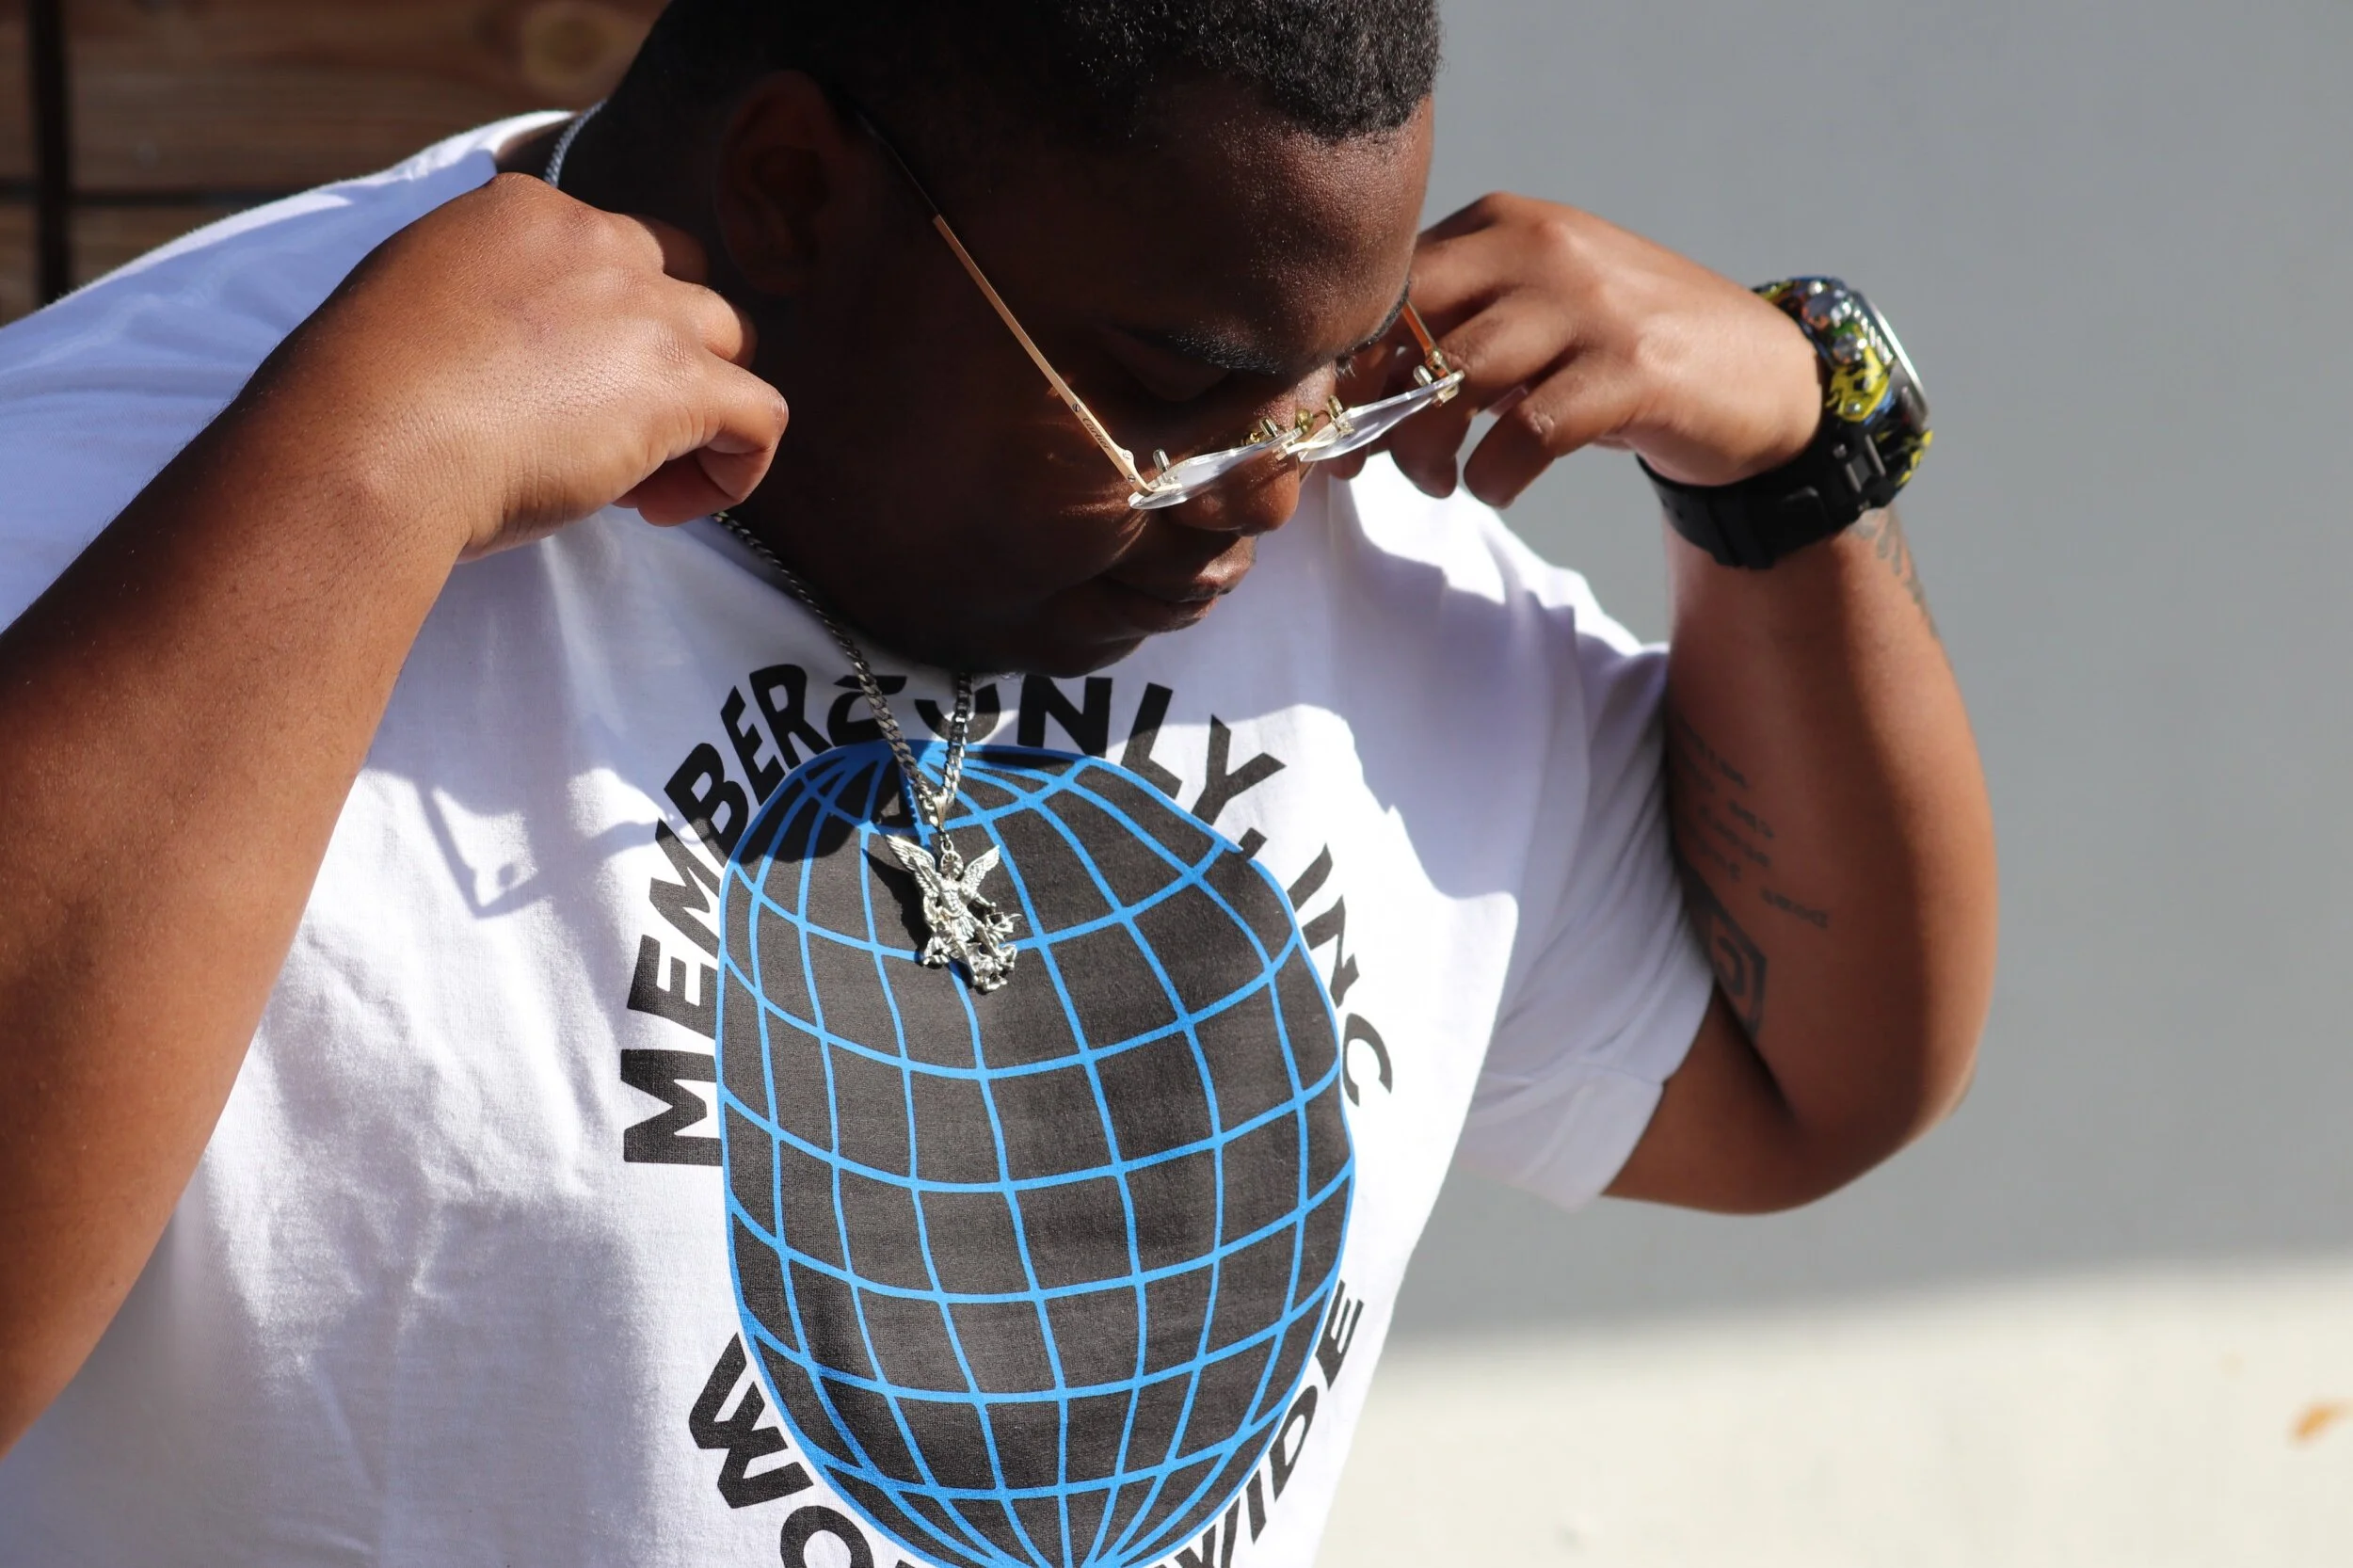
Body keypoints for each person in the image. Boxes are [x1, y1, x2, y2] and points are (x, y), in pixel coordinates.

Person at [0, 1, 1995, 1563]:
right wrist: (356, 485)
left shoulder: (1327, 530)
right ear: (792, 183)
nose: (1267, 488)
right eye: (1174, 380)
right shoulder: (124, 499)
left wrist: (1797, 477)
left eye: (1323, 377)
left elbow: (1786, 1078)